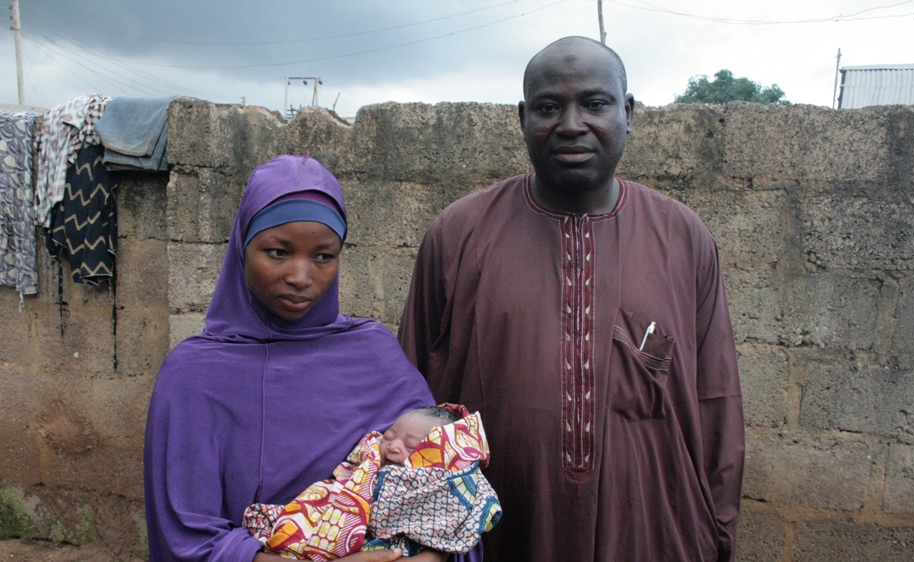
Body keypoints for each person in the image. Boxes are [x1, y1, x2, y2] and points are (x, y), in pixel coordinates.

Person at [398, 37, 744, 562]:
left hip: (652, 529)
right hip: (490, 530)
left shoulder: (681, 237)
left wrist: (718, 533)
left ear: (627, 113)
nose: (571, 123)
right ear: (522, 118)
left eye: (595, 104)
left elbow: (717, 400)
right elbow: (408, 385)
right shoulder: (459, 233)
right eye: (548, 106)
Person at [144, 155, 480, 562]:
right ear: (242, 249)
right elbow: (185, 536)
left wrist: (430, 556)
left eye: (323, 256)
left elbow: (448, 486)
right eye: (278, 252)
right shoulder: (194, 375)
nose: (301, 277)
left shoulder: (373, 355)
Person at [243, 405, 500, 561]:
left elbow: (471, 514)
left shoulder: (445, 483)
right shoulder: (372, 461)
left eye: (410, 446)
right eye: (389, 436)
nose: (393, 447)